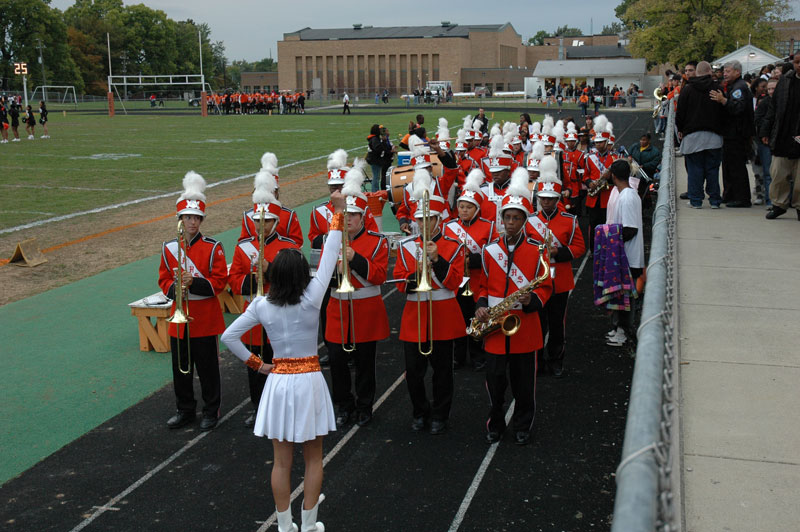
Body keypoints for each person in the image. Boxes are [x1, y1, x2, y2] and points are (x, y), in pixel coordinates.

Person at [222, 191, 345, 532]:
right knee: (314, 457)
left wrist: (257, 364)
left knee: (281, 462)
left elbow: (228, 337)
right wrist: (338, 211)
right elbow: (331, 252)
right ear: (301, 275)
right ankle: (308, 525)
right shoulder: (312, 297)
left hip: (277, 380)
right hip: (309, 380)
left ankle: (285, 525)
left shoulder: (262, 304)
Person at [475, 167, 553, 445]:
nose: (510, 222)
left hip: (525, 327)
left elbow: (546, 286)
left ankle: (522, 425)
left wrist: (532, 300)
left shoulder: (536, 249)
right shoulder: (490, 250)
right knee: (494, 384)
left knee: (524, 386)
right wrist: (481, 306)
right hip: (496, 329)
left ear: (524, 220)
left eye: (516, 218)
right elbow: (482, 286)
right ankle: (495, 423)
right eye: (507, 217)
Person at [393, 169, 465, 435]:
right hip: (415, 313)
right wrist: (417, 272)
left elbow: (455, 282)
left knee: (443, 371)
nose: (423, 225)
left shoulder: (454, 245)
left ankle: (440, 414)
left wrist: (437, 260)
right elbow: (400, 282)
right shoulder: (406, 246)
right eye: (420, 220)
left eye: (429, 219)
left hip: (444, 313)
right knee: (413, 371)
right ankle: (419, 411)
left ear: (438, 219)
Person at [228, 172, 299, 428]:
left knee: (282, 366)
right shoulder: (242, 247)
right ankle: (258, 408)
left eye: (267, 221)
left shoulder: (288, 246)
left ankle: (282, 410)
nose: (262, 226)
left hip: (280, 315)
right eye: (258, 221)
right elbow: (234, 281)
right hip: (254, 315)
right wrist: (249, 278)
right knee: (255, 367)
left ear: (275, 221)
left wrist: (268, 271)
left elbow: (294, 281)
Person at [158, 172, 227, 431]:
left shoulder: (213, 247)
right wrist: (176, 287)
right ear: (181, 219)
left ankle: (211, 410)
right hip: (180, 318)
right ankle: (185, 409)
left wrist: (193, 282)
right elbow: (163, 280)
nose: (192, 222)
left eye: (197, 218)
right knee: (181, 369)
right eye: (188, 217)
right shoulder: (169, 248)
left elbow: (219, 283)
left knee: (208, 370)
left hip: (205, 319)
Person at [326, 167, 389, 428]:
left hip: (366, 309)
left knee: (365, 363)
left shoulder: (377, 242)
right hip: (337, 309)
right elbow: (318, 274)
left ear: (363, 217)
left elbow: (379, 276)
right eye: (346, 214)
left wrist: (355, 259)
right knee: (338, 364)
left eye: (354, 215)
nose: (349, 219)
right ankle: (344, 406)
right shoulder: (329, 240)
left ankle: (364, 406)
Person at [526, 157, 585, 376]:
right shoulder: (530, 220)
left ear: (557, 198)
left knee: (557, 324)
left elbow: (579, 247)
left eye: (551, 199)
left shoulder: (569, 220)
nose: (547, 202)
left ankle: (556, 360)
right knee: (537, 323)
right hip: (537, 280)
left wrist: (557, 253)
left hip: (559, 280)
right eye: (543, 198)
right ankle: (538, 361)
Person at [444, 169, 498, 371]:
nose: (464, 210)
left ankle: (477, 355)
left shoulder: (488, 227)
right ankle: (458, 356)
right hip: (457, 281)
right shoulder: (448, 226)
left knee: (476, 318)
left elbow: (493, 253)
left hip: (477, 280)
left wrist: (472, 259)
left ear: (476, 209)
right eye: (461, 206)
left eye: (468, 207)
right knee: (457, 318)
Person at [760, 53, 800, 220]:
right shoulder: (785, 81)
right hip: (783, 135)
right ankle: (779, 205)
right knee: (777, 174)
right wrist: (765, 130)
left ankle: (798, 207)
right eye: (797, 62)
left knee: (799, 181)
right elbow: (773, 108)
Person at [710, 60, 754, 207]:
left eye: (728, 71)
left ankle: (742, 198)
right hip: (730, 133)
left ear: (737, 72)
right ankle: (729, 194)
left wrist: (723, 101)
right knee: (728, 166)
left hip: (737, 134)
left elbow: (738, 108)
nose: (725, 74)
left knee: (737, 167)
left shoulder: (739, 87)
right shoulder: (732, 86)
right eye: (724, 71)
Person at [239, 153, 304, 246]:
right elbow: (244, 244)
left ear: (276, 192)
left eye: (270, 191)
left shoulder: (288, 215)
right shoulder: (248, 216)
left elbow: (297, 243)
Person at [584, 115, 617, 250]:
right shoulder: (590, 158)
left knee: (607, 224)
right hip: (593, 197)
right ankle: (593, 249)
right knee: (593, 224)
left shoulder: (614, 158)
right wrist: (589, 182)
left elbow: (618, 179)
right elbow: (585, 176)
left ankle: (606, 248)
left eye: (601, 142)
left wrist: (609, 177)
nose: (598, 144)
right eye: (596, 142)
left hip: (607, 196)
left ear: (607, 141)